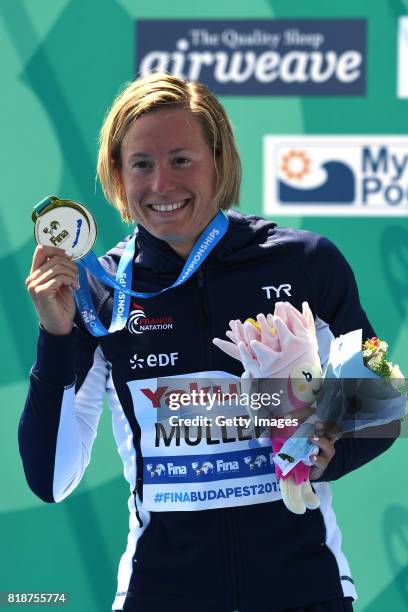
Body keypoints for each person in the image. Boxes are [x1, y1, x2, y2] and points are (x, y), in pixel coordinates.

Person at [20, 73, 399, 612]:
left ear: (219, 162)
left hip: (303, 590)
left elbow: (381, 406)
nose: (161, 185)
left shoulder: (305, 262)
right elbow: (50, 478)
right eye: (141, 164)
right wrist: (55, 335)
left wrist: (325, 455)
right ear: (117, 176)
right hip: (162, 595)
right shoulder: (100, 295)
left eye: (182, 159)